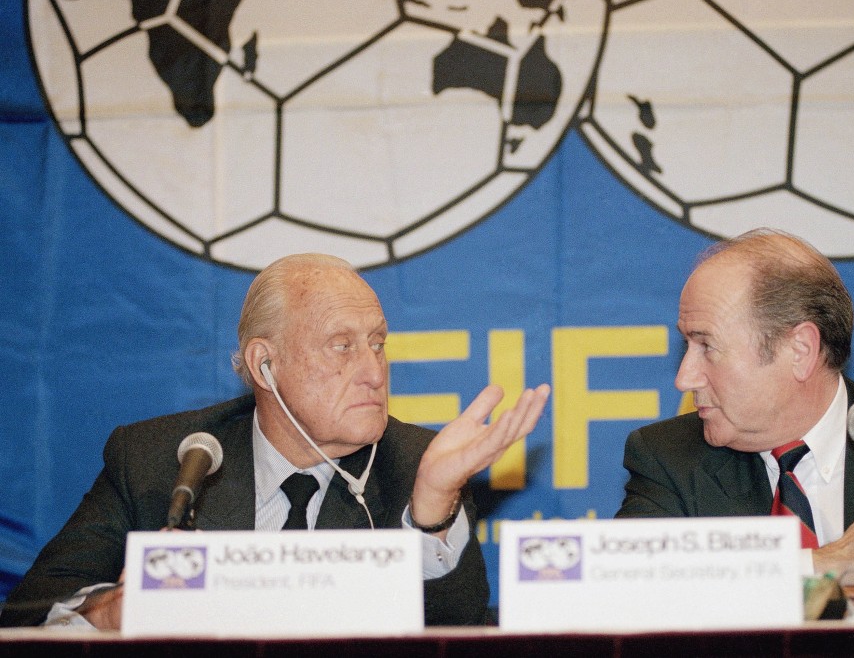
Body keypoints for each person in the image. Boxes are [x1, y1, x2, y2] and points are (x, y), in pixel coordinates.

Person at [0, 253, 550, 629]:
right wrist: (107, 611)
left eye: (377, 344)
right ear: (265, 364)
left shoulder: (415, 465)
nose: (373, 371)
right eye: (342, 346)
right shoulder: (163, 459)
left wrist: (432, 509)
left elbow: (458, 633)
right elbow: (26, 612)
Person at [616, 228, 854, 595]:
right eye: (687, 345)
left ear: (800, 351)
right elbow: (634, 597)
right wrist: (832, 563)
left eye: (706, 346)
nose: (684, 378)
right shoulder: (667, 459)